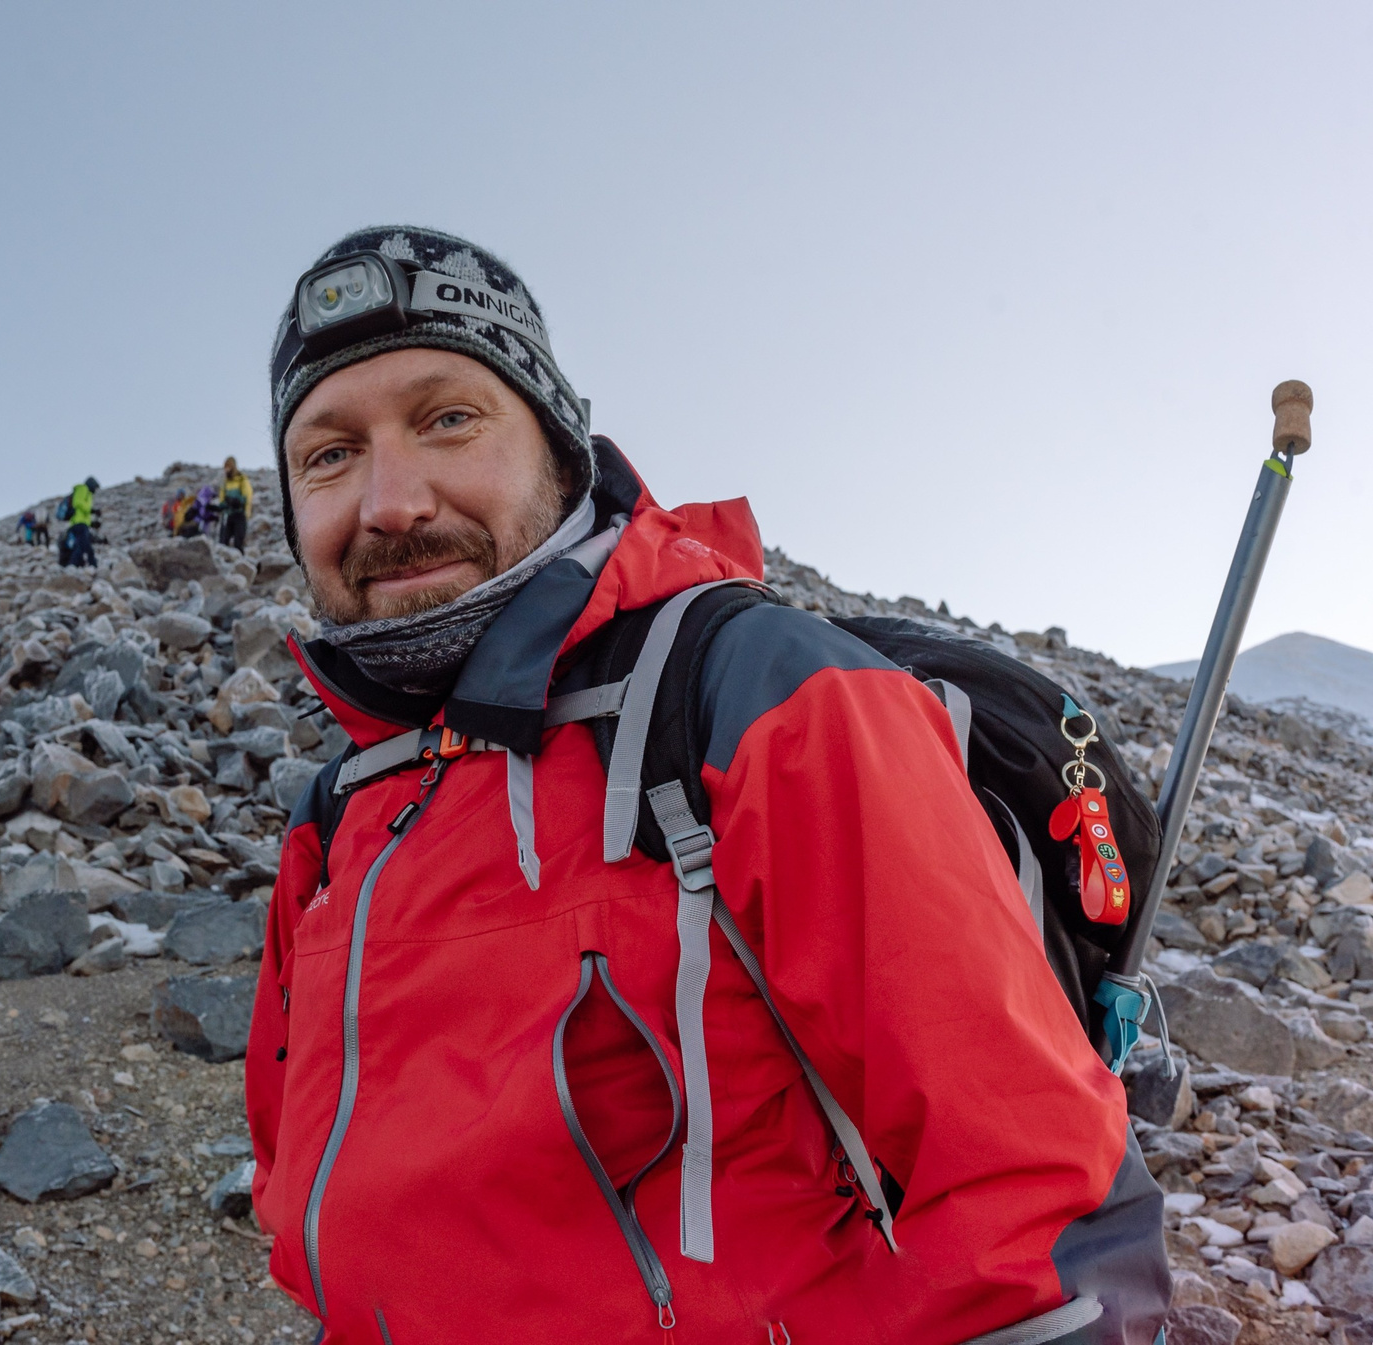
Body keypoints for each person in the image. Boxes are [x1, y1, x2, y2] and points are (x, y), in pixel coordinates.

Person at [244, 227, 1162, 1342]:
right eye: (329, 455)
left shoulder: (760, 696)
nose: (390, 502)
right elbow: (298, 1169)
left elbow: (1028, 1191)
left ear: (561, 451)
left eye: (447, 420)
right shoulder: (338, 810)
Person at [59, 477, 99, 567]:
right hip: (79, 523)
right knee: (83, 545)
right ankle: (77, 565)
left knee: (82, 545)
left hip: (80, 523)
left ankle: (77, 564)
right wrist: (89, 509)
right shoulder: (83, 489)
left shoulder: (86, 491)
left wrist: (92, 512)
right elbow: (77, 502)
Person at [219, 456, 254, 549]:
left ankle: (239, 557)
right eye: (225, 468)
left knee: (238, 542)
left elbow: (247, 496)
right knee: (223, 541)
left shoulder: (242, 479)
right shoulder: (225, 482)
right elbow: (222, 499)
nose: (226, 470)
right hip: (228, 514)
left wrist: (238, 501)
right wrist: (222, 505)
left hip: (240, 514)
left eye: (228, 467)